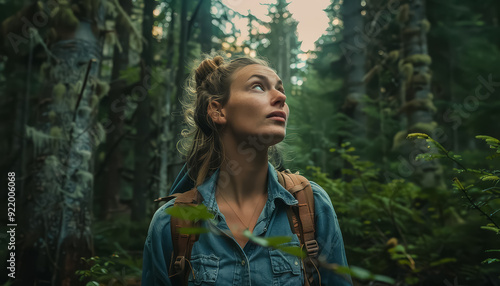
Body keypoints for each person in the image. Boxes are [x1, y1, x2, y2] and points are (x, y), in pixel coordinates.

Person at [142, 54, 352, 285]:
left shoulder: (311, 206)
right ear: (218, 110)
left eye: (280, 89)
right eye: (258, 86)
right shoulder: (171, 224)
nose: (281, 97)